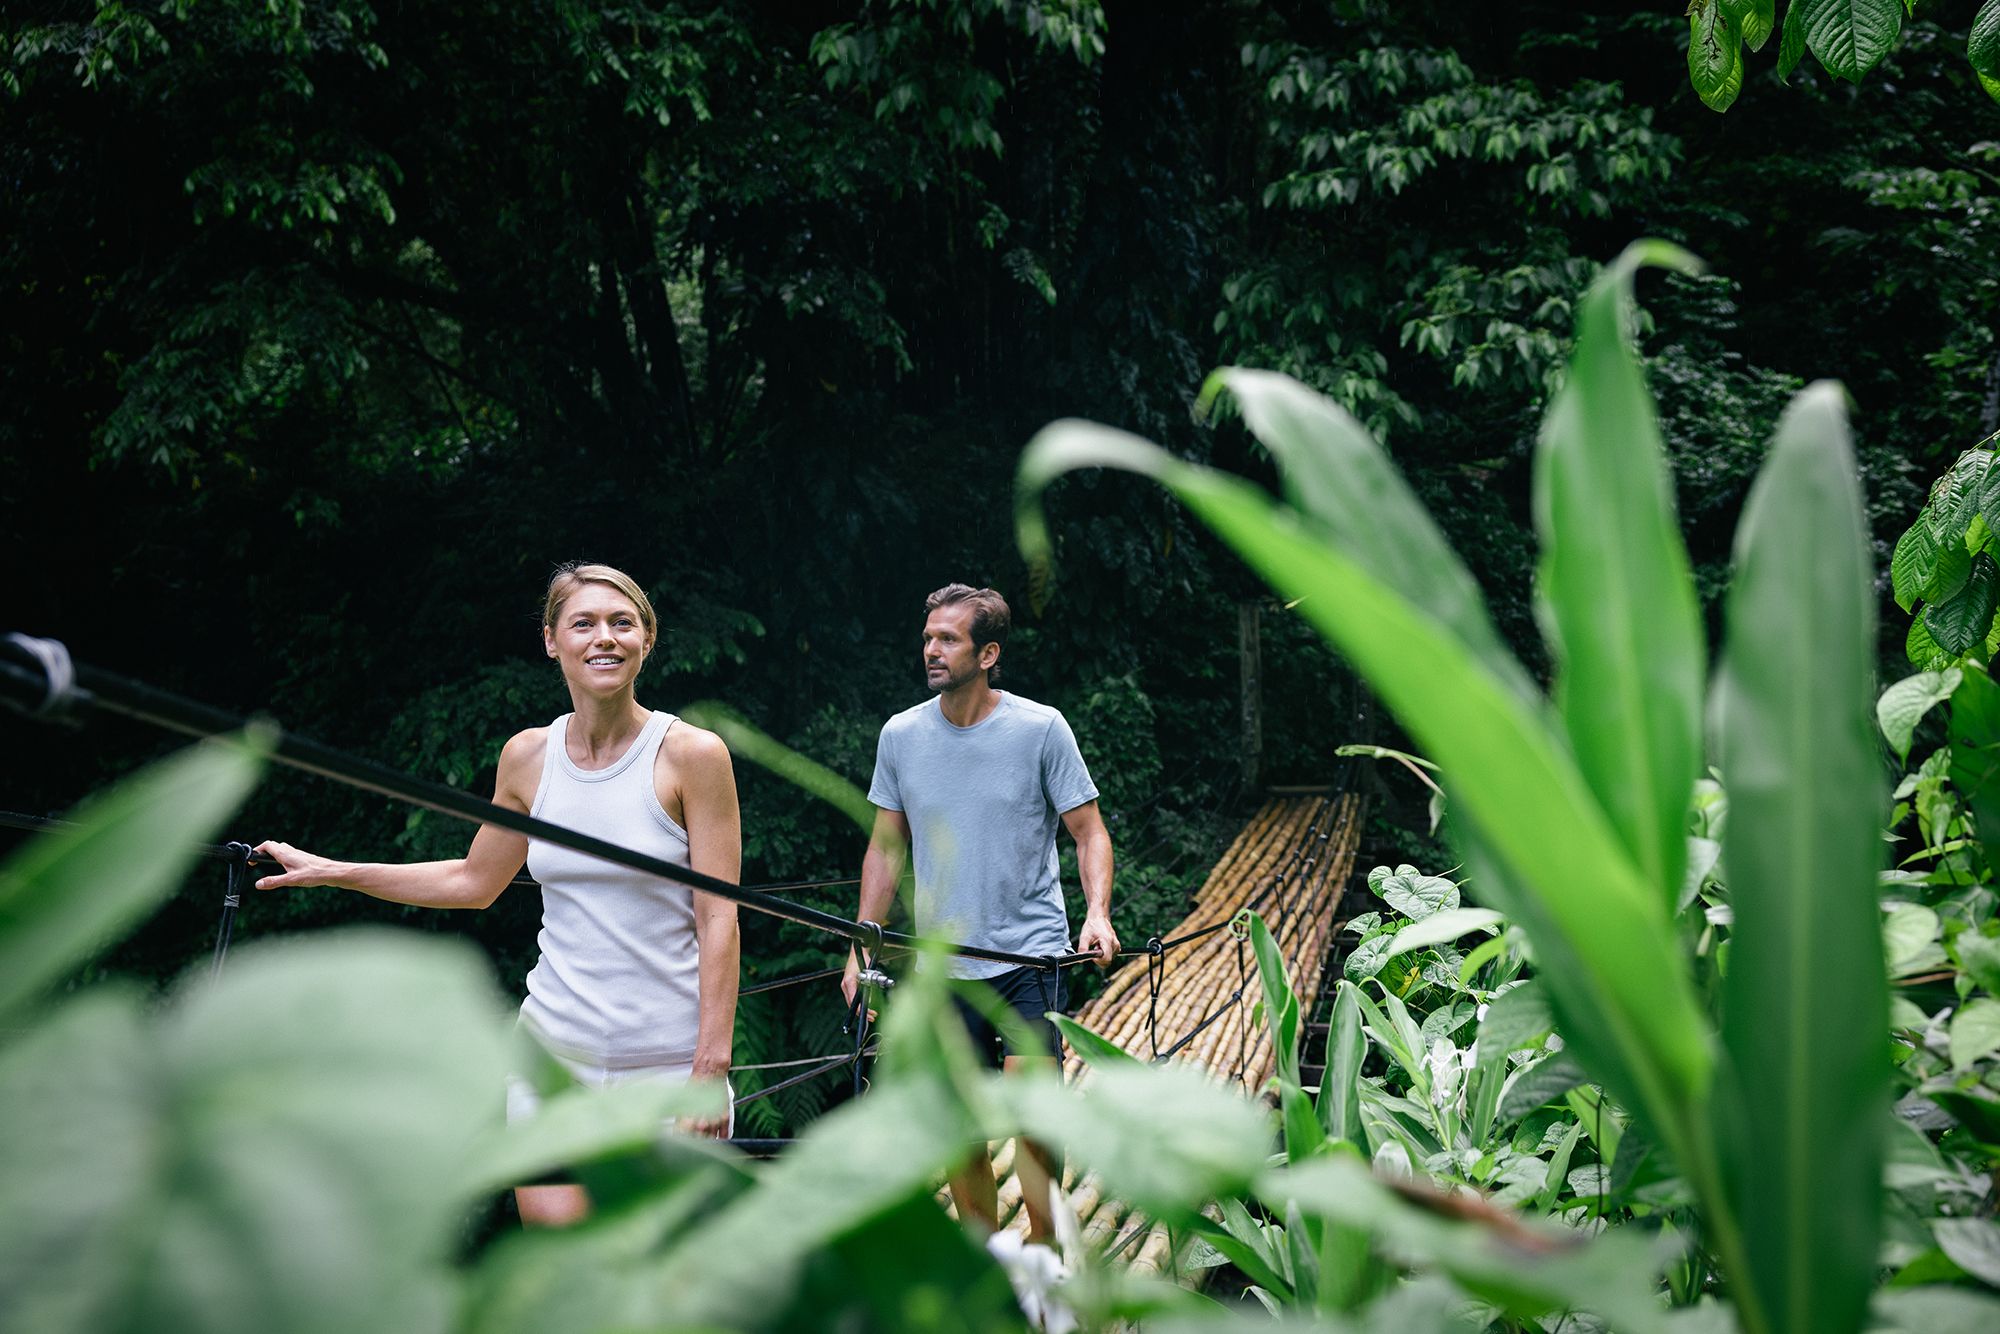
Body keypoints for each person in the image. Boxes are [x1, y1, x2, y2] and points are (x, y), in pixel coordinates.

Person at [253, 561, 742, 1228]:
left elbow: (719, 917)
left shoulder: (692, 756)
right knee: (561, 1265)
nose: (605, 637)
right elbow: (473, 881)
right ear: (552, 641)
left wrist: (710, 1068)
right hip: (554, 1062)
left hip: (668, 1065)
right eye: (584, 623)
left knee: (658, 1272)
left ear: (646, 639)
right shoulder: (528, 758)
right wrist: (336, 870)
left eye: (622, 622)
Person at [843, 582, 1118, 1248]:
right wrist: (859, 948)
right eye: (928, 637)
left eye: (948, 639)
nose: (931, 650)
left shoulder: (1040, 729)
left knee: (1033, 1113)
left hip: (1031, 957)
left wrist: (1098, 914)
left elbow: (1089, 832)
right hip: (945, 964)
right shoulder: (902, 735)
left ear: (988, 653)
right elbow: (885, 847)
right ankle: (985, 1257)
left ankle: (1046, 1249)